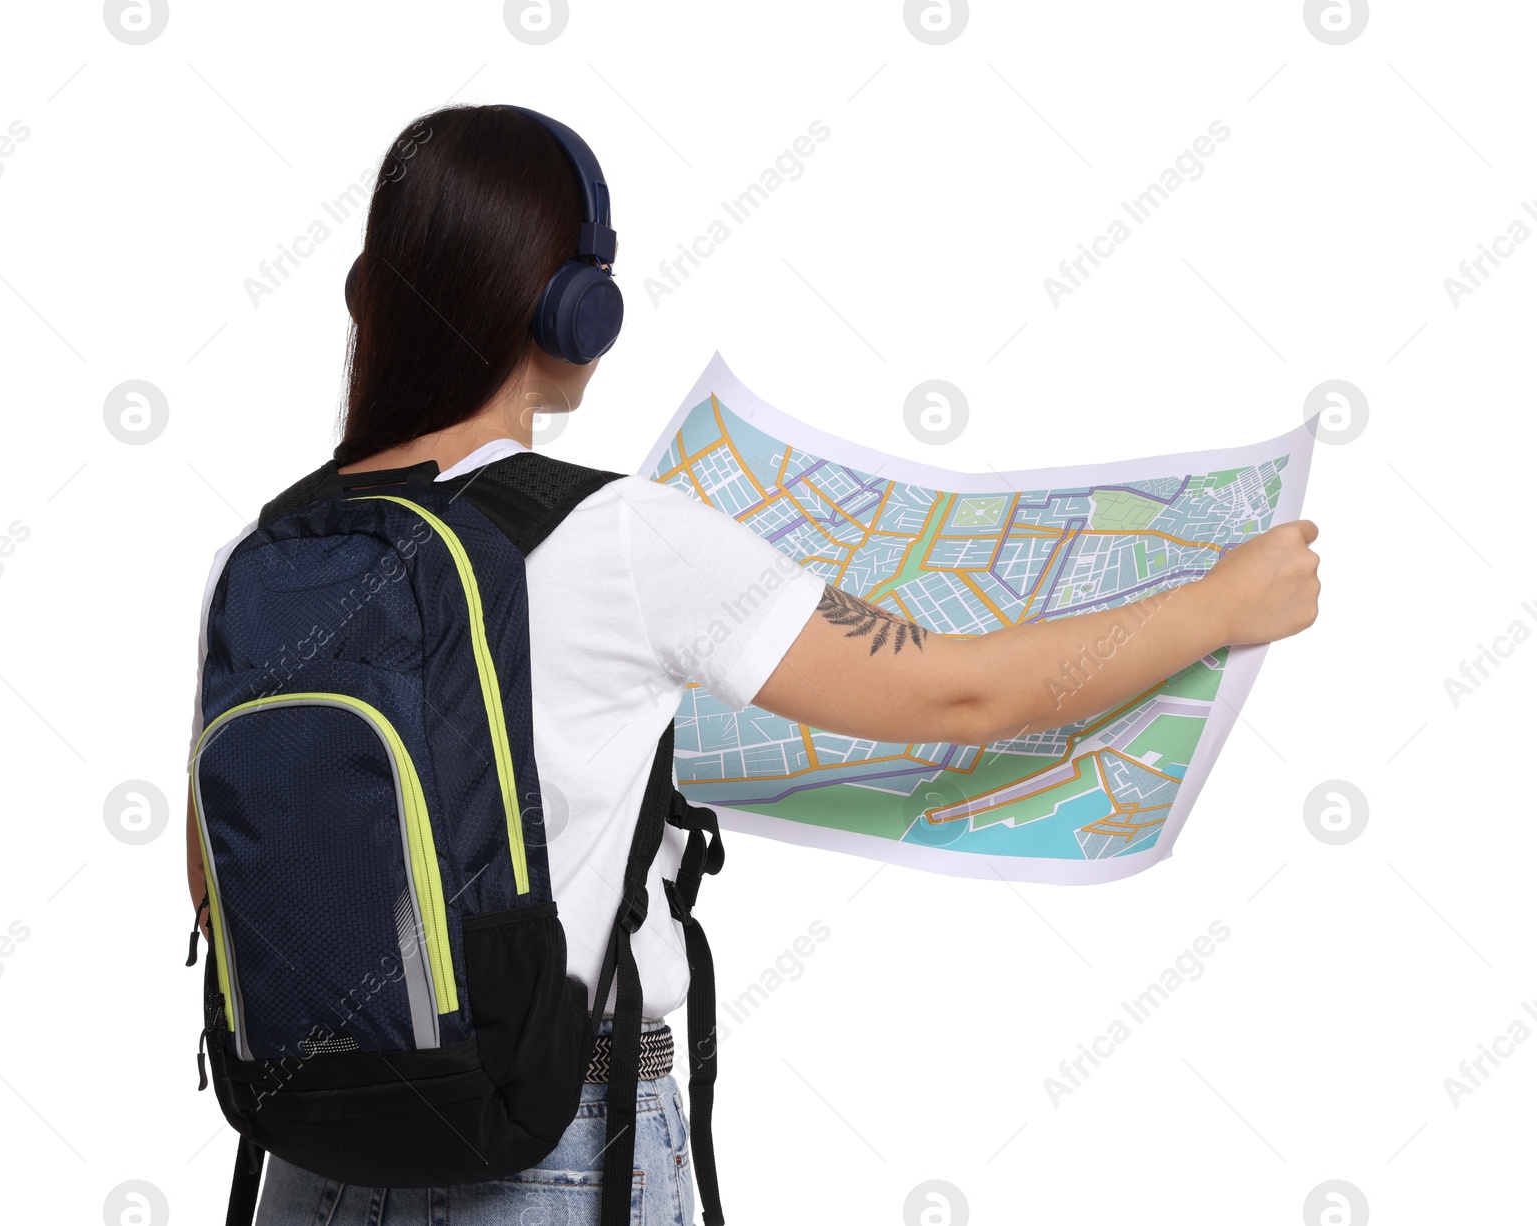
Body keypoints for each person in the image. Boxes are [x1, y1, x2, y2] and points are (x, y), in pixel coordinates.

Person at [186, 104, 1320, 1225]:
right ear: (575, 310)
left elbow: (220, 877)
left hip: (315, 1160)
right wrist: (1222, 603)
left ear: (366, 294)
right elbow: (964, 696)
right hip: (550, 1150)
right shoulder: (618, 538)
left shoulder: (267, 553)